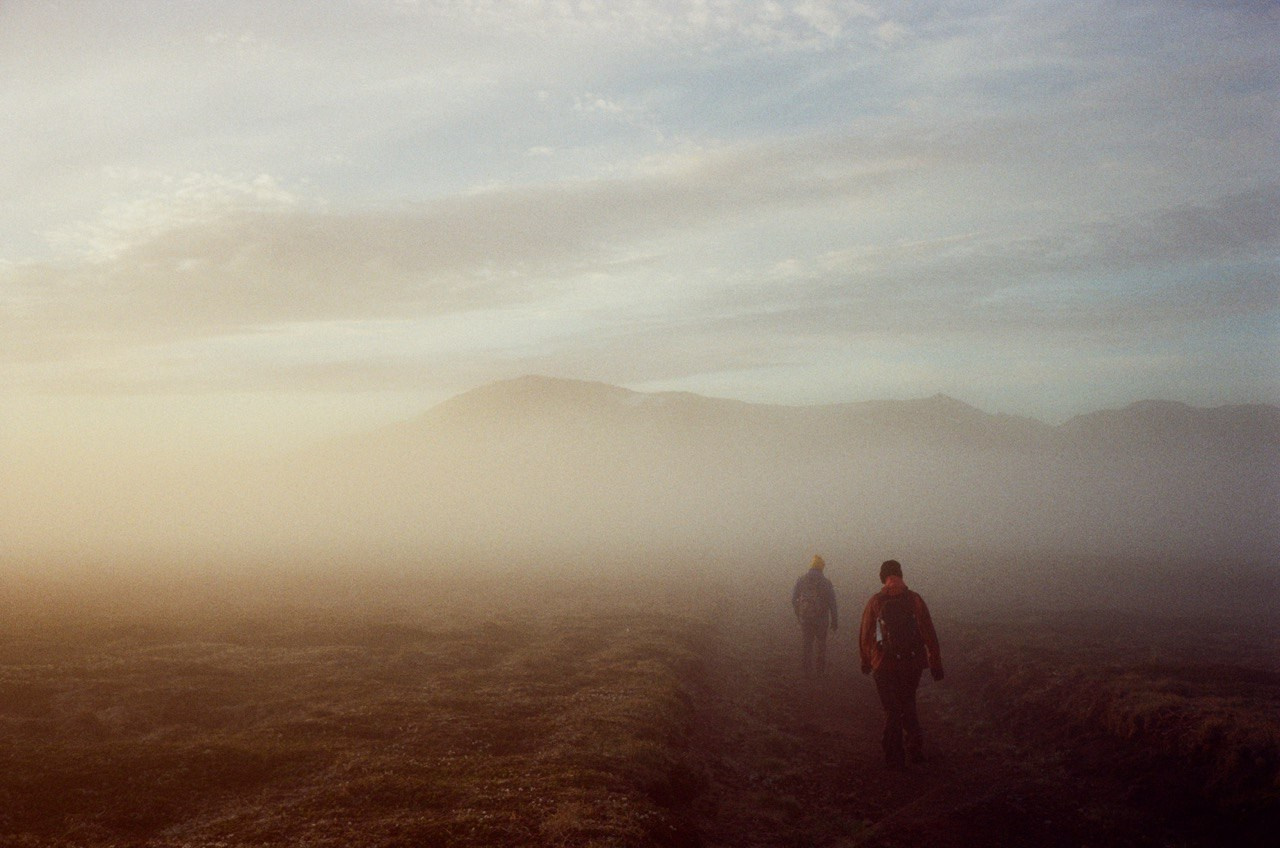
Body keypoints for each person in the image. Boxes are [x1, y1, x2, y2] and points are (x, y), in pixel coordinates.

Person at [859, 559, 943, 768]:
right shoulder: (914, 600)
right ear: (901, 575)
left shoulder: (875, 602)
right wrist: (935, 661)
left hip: (883, 663)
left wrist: (866, 660)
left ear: (882, 578)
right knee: (908, 702)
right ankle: (914, 749)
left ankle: (893, 754)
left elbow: (866, 633)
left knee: (891, 709)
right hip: (912, 663)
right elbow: (928, 632)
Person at [791, 554, 838, 677]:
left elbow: (793, 599)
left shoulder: (801, 580)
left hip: (805, 618)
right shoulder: (826, 583)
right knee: (821, 644)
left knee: (807, 643)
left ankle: (806, 670)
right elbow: (832, 603)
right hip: (822, 620)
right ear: (821, 567)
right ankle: (820, 671)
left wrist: (799, 613)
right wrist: (834, 620)